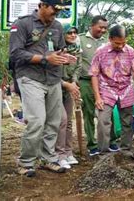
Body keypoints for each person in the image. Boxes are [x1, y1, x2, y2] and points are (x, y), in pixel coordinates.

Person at [9, 0, 77, 176]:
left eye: (59, 10)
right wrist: (44, 59)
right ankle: (26, 162)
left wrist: (64, 57)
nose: (56, 13)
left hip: (53, 79)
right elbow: (15, 54)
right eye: (54, 9)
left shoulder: (57, 27)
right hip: (31, 77)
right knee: (37, 121)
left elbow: (58, 50)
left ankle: (48, 159)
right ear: (42, 5)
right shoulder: (22, 24)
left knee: (54, 122)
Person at [90, 25, 134, 153]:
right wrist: (97, 97)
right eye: (117, 43)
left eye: (123, 43)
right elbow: (94, 74)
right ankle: (103, 153)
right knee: (103, 121)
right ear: (110, 39)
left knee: (127, 122)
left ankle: (125, 150)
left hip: (126, 90)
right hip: (106, 90)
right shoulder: (101, 51)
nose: (121, 46)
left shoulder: (130, 51)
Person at [78, 15, 113, 156]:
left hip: (104, 83)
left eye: (105, 28)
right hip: (85, 81)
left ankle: (109, 142)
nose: (103, 30)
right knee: (88, 113)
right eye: (100, 27)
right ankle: (92, 144)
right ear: (92, 26)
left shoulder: (107, 41)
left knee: (107, 113)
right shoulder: (80, 39)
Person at [56, 25, 82, 169]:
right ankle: (59, 155)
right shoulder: (57, 49)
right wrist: (66, 84)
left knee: (69, 121)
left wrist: (73, 82)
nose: (72, 35)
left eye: (75, 33)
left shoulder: (77, 50)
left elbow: (78, 68)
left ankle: (68, 152)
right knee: (62, 120)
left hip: (69, 88)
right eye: (69, 32)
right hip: (56, 87)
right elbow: (52, 72)